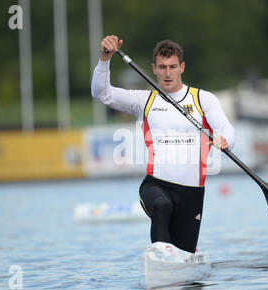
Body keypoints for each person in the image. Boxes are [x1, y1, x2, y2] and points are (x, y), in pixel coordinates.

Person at [92, 35, 235, 253]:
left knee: (185, 253)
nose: (167, 73)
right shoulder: (143, 101)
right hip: (156, 185)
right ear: (154, 69)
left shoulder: (203, 99)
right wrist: (105, 58)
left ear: (182, 67)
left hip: (192, 193)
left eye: (172, 67)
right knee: (161, 205)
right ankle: (160, 258)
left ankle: (177, 260)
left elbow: (226, 129)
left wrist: (225, 140)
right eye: (162, 67)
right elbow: (101, 93)